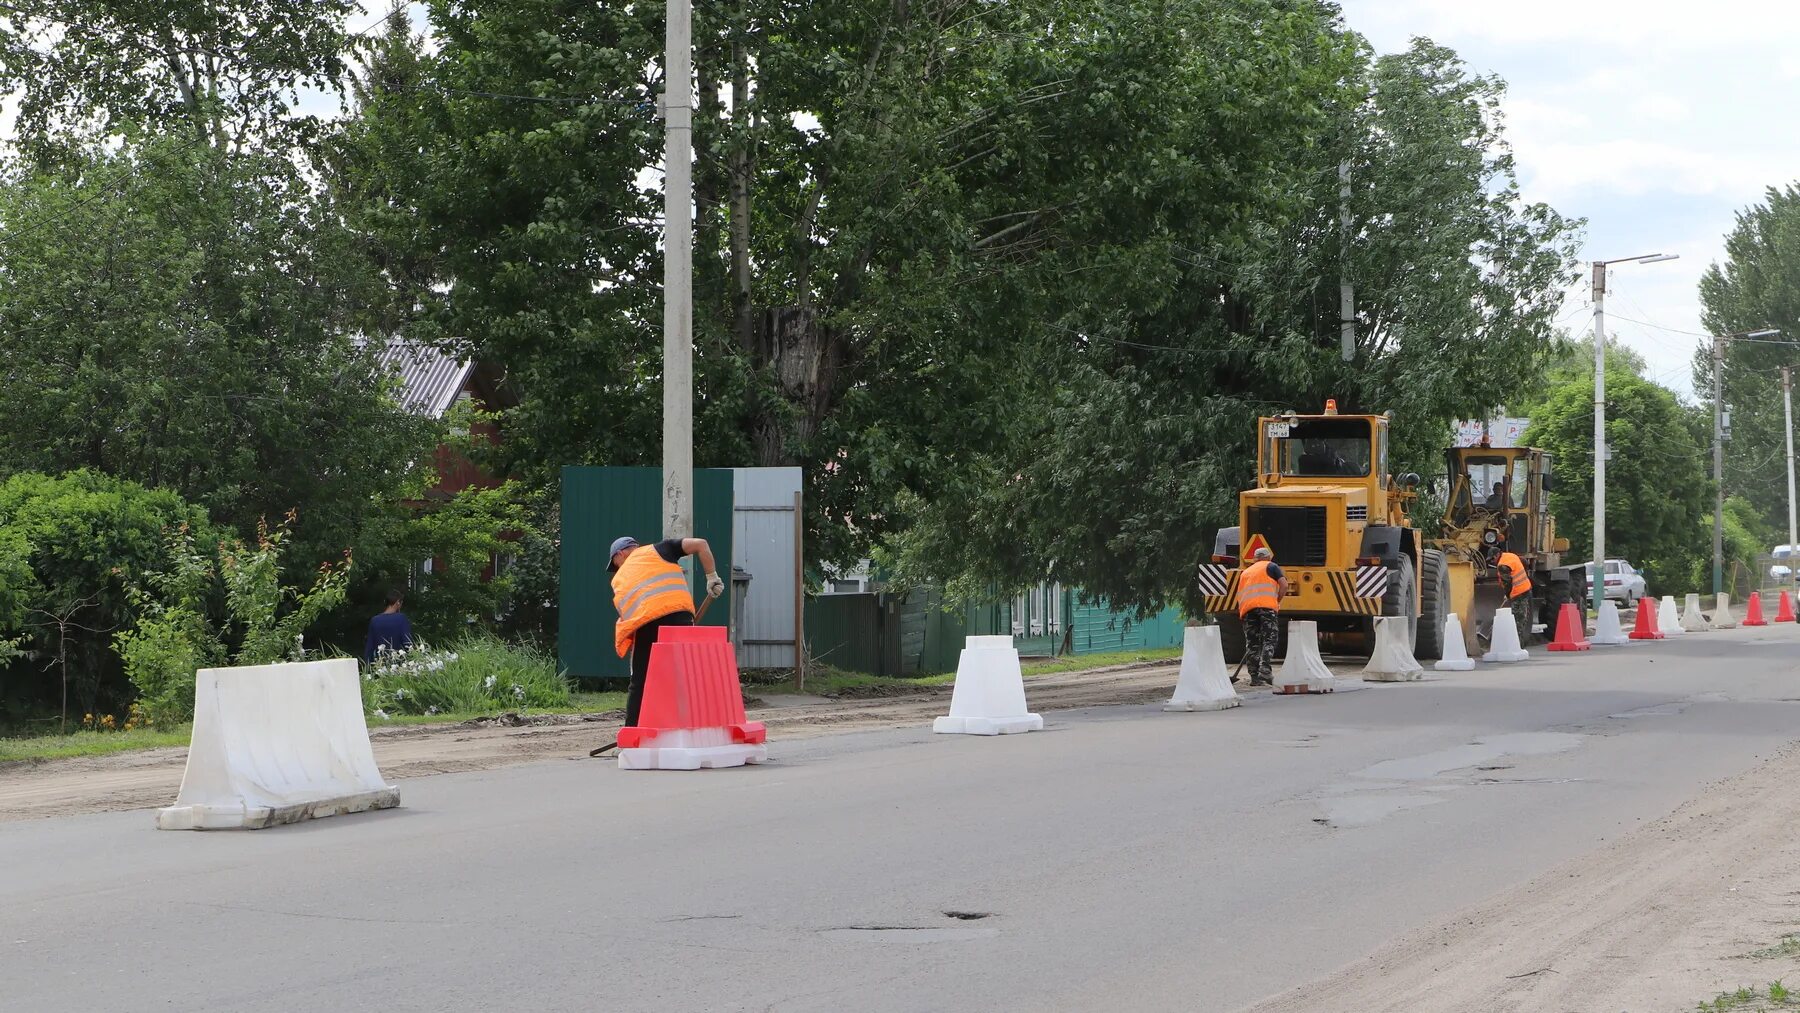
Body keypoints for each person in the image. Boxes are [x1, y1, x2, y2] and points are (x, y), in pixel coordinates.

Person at [610, 535, 725, 729]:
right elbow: (701, 544)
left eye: (615, 563)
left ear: (621, 553)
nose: (617, 569)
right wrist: (712, 577)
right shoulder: (658, 550)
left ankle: (632, 733)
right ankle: (697, 725)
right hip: (679, 618)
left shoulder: (618, 580)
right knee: (687, 676)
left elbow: (627, 617)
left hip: (646, 625)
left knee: (640, 682)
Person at [1237, 546, 1288, 686]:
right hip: (1266, 607)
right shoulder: (1271, 566)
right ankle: (1265, 669)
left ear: (1255, 559)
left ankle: (1254, 677)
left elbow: (1239, 595)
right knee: (1270, 638)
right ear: (1268, 557)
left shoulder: (1245, 572)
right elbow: (1284, 585)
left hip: (1247, 610)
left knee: (1252, 643)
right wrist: (1276, 601)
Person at [363, 589, 414, 663]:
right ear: (397, 602)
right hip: (398, 663)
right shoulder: (401, 618)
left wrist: (367, 665)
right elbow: (407, 642)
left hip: (379, 663)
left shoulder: (374, 620)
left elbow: (370, 646)